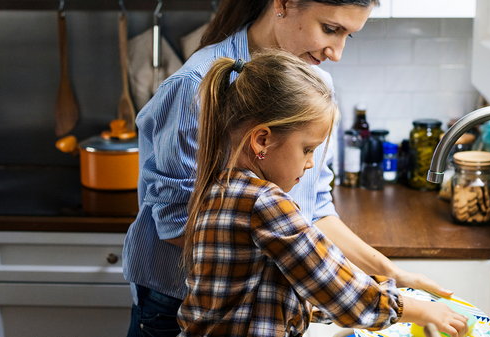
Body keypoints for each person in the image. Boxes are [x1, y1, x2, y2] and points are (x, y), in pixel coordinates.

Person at [123, 0, 455, 336]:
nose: (337, 52)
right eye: (330, 29)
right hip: (176, 304)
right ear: (283, 4)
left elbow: (315, 211)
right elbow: (177, 223)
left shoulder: (314, 87)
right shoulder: (194, 85)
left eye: (348, 37)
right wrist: (310, 272)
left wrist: (392, 274)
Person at [177, 50, 468, 337]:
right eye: (307, 149)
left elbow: (285, 291)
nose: (311, 162)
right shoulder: (263, 202)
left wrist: (385, 285)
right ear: (262, 140)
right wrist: (419, 310)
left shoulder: (220, 187)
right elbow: (336, 287)